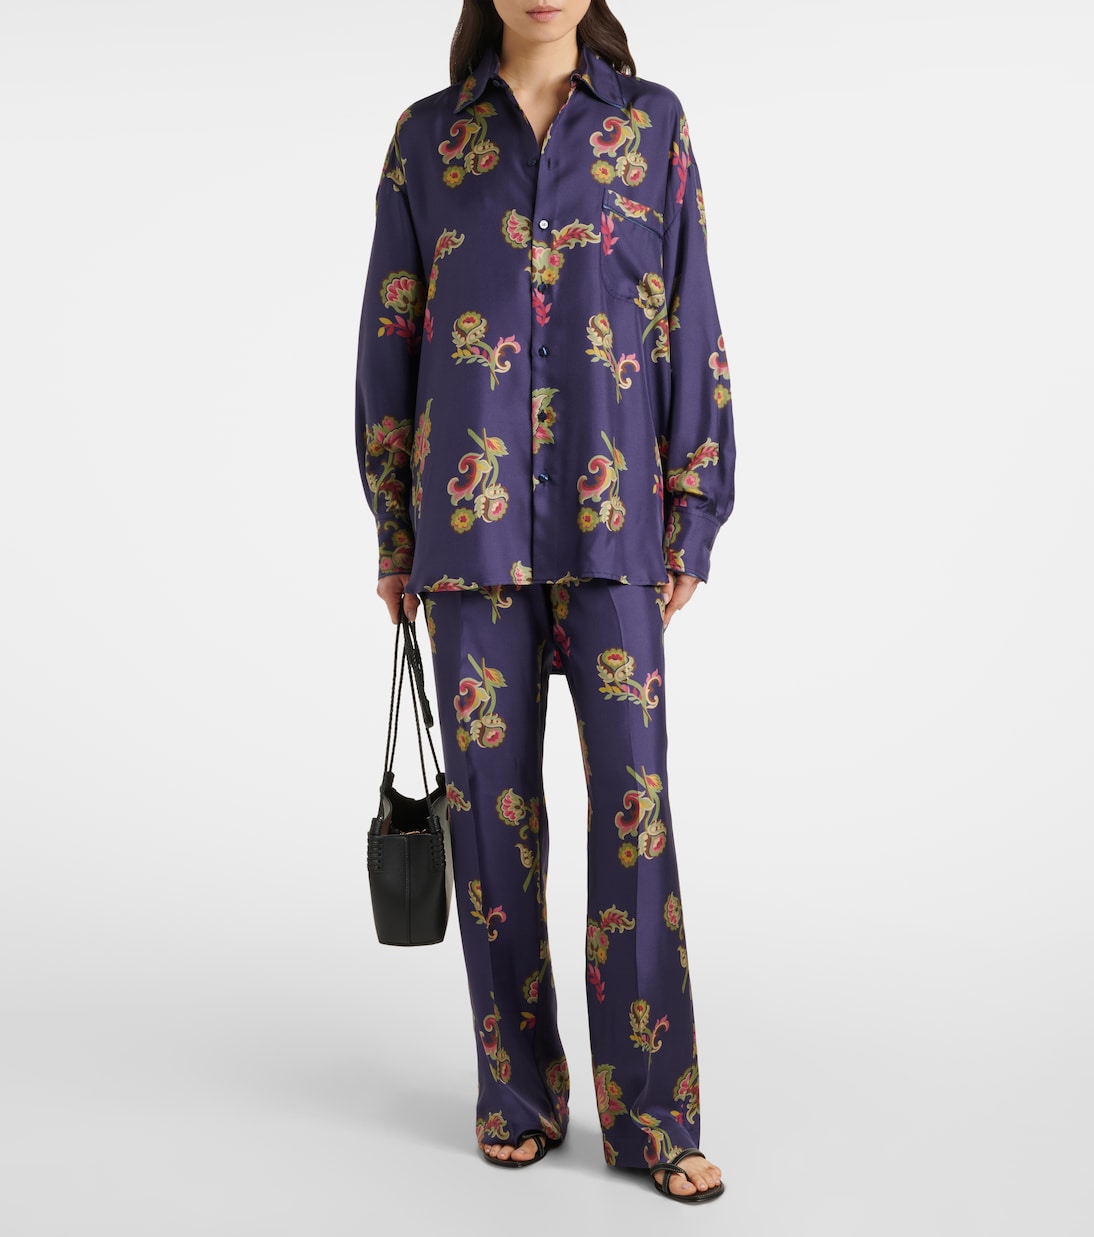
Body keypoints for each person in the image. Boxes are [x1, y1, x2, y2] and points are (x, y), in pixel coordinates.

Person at [355, 0, 735, 1204]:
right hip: (467, 539)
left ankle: (653, 1116)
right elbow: (389, 337)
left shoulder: (651, 129)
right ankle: (515, 1093)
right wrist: (394, 526)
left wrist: (693, 500)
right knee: (491, 827)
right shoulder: (428, 140)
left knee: (633, 811)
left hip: (613, 527)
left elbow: (687, 316)